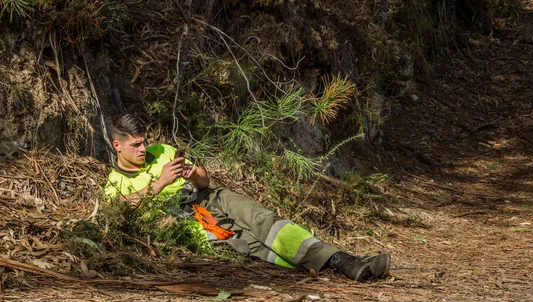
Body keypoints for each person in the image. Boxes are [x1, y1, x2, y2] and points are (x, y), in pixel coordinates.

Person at [104, 114, 391, 282]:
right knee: (251, 246)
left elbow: (205, 179)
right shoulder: (114, 182)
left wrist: (193, 174)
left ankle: (345, 260)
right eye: (136, 145)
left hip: (209, 197)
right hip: (188, 221)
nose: (144, 149)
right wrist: (162, 181)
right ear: (117, 146)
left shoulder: (163, 150)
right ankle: (333, 268)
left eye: (145, 141)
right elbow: (121, 209)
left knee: (267, 222)